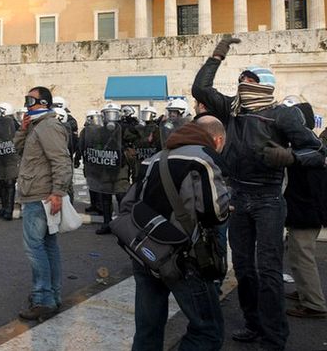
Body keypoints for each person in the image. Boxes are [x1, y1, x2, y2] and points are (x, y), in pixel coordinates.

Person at [192, 36, 326, 350]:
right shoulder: (232, 109)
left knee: (268, 270)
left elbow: (317, 153)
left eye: (248, 79)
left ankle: (274, 334)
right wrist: (217, 54)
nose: (242, 83)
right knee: (243, 268)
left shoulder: (283, 115)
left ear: (263, 85)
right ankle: (253, 323)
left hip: (267, 200)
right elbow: (201, 88)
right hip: (237, 196)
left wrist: (289, 157)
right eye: (240, 79)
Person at [128, 117, 230, 351]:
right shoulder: (202, 159)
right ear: (217, 140)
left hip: (147, 253)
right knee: (207, 330)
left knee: (147, 329)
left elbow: (133, 203)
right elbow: (215, 213)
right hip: (183, 257)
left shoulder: (152, 160)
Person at [13, 86, 71, 321]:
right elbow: (19, 150)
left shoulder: (48, 126)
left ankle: (43, 299)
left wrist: (58, 192)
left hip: (40, 196)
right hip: (38, 194)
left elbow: (61, 161)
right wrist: (22, 129)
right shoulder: (36, 126)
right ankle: (51, 296)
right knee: (47, 246)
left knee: (35, 248)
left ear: (44, 103)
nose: (27, 104)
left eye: (31, 100)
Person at [280, 96, 327, 319]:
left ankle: (314, 304)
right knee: (299, 256)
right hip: (305, 213)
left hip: (306, 214)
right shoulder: (311, 146)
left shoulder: (309, 151)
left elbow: (311, 190)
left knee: (302, 257)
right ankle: (305, 291)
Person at [81, 103, 130, 235]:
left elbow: (134, 141)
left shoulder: (125, 128)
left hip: (120, 167)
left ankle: (123, 225)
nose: (110, 117)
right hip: (105, 166)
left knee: (121, 195)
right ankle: (107, 223)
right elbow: (94, 144)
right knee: (105, 195)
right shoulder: (100, 130)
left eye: (113, 113)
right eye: (107, 113)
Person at [0, 102, 20, 220]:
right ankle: (4, 207)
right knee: (2, 183)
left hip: (11, 157)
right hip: (0, 156)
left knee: (9, 183)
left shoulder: (14, 124)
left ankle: (9, 210)